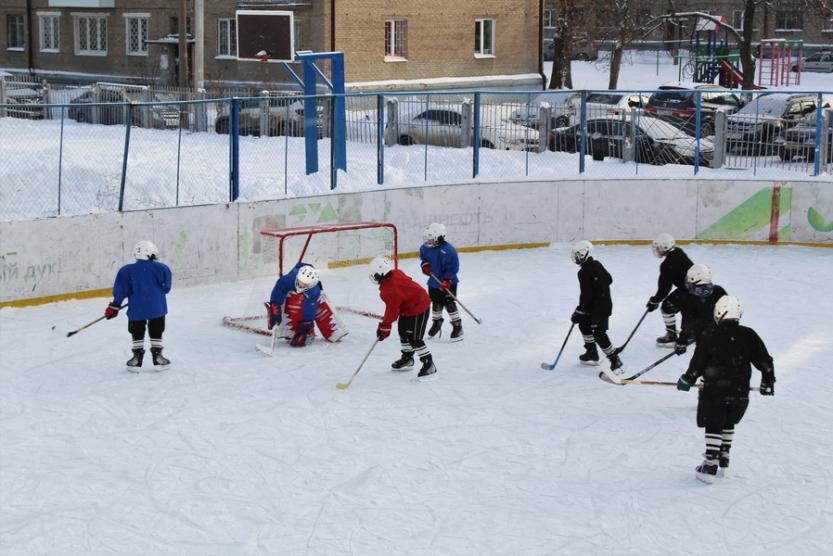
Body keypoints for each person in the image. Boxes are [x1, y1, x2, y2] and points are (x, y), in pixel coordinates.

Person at [676, 295, 775, 483]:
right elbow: (764, 360)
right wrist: (768, 380)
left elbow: (698, 363)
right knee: (729, 421)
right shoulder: (749, 334)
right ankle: (724, 455)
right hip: (740, 392)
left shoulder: (709, 334)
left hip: (715, 391)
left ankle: (710, 464)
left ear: (718, 313)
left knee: (714, 423)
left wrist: (687, 379)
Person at [105, 240, 173, 371]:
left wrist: (115, 306)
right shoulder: (163, 268)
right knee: (157, 329)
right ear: (150, 253)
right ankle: (158, 357)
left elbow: (121, 291)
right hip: (157, 307)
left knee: (136, 330)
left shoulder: (126, 270)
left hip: (137, 309)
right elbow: (166, 288)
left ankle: (136, 359)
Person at [369, 255, 437, 381]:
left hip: (418, 307)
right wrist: (386, 325)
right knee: (403, 332)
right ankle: (407, 358)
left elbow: (393, 310)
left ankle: (429, 364)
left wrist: (385, 326)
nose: (374, 278)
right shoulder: (395, 272)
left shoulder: (389, 289)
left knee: (414, 338)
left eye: (375, 275)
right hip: (407, 308)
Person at [569, 240, 623, 371]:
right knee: (584, 324)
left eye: (576, 255)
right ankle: (591, 354)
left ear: (583, 254)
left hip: (600, 308)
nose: (574, 258)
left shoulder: (583, 272)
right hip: (601, 305)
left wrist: (580, 310)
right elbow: (609, 279)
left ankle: (615, 360)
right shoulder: (597, 264)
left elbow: (586, 294)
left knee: (599, 333)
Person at [266, 262, 347, 347]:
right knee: (292, 297)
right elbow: (279, 288)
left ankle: (333, 330)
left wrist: (306, 324)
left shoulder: (314, 290)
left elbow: (309, 308)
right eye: (300, 282)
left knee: (318, 304)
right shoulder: (290, 279)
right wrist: (275, 304)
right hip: (296, 295)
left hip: (313, 300)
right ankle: (290, 330)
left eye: (305, 284)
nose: (301, 285)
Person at [646, 233, 694, 347]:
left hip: (689, 290)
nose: (656, 250)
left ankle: (675, 335)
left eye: (658, 248)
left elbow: (664, 288)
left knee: (667, 307)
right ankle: (691, 333)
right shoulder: (678, 252)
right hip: (696, 288)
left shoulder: (667, 264)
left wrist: (654, 301)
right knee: (688, 309)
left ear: (665, 247)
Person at [419, 222, 463, 341]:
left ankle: (457, 326)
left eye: (431, 239)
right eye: (427, 239)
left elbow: (454, 267)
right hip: (434, 281)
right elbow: (424, 258)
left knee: (449, 302)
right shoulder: (425, 248)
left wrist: (447, 279)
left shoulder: (449, 251)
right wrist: (425, 264)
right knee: (436, 301)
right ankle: (437, 322)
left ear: (439, 237)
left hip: (449, 281)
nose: (428, 241)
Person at [672, 264, 728, 356]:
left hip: (703, 337)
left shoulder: (688, 297)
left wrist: (682, 341)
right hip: (724, 334)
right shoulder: (719, 290)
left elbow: (688, 321)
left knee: (704, 361)